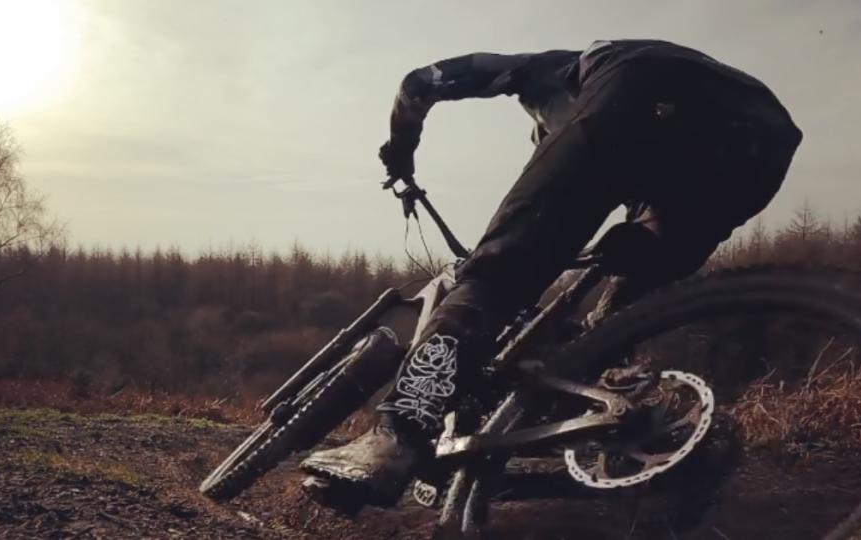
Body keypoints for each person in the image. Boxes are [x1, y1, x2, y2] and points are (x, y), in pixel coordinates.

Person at [300, 39, 802, 506]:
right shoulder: (646, 117)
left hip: (641, 88)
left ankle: (397, 436)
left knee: (496, 272)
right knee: (619, 305)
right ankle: (635, 438)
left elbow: (419, 83)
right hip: (761, 143)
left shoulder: (544, 71)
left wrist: (401, 149)